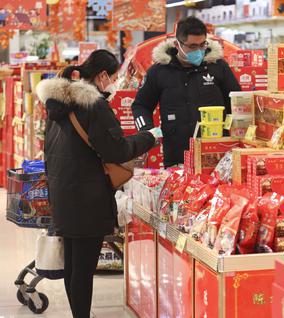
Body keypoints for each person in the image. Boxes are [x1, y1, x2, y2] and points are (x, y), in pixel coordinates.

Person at [36, 49, 161, 318]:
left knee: (72, 263)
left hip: (63, 191)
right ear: (102, 75)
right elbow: (115, 150)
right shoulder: (94, 105)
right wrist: (149, 137)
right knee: (83, 267)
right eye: (114, 77)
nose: (114, 83)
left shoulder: (58, 103)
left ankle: (78, 314)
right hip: (87, 196)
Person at [132, 16, 241, 167]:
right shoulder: (159, 71)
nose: (199, 51)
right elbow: (140, 105)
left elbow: (236, 102)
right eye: (192, 46)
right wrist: (147, 131)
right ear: (177, 44)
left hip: (217, 154)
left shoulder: (218, 67)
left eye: (202, 45)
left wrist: (233, 134)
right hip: (176, 155)